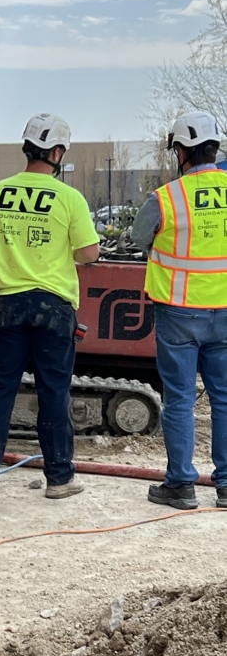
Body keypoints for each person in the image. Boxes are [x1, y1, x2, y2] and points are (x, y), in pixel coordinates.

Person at [0, 114, 100, 500]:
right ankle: (60, 479)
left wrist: (11, 251)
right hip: (55, 307)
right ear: (57, 153)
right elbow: (90, 253)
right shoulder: (69, 198)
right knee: (54, 392)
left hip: (9, 305)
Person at [130, 111, 227, 510]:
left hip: (180, 312)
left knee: (181, 400)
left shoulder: (167, 198)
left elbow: (139, 237)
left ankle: (181, 485)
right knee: (224, 399)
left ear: (182, 151)